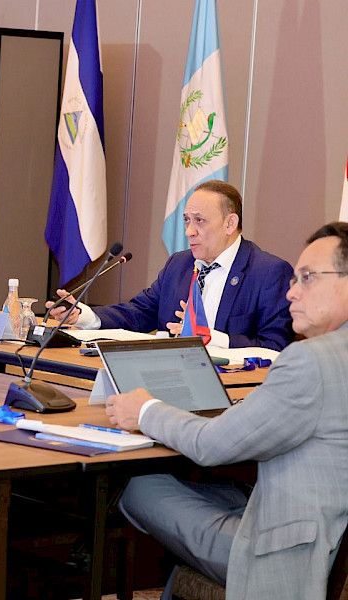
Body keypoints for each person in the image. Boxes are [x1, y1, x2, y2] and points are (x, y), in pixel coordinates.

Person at [106, 222, 348, 600]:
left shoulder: (309, 360)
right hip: (320, 523)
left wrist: (145, 410)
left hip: (287, 556)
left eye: (307, 278)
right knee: (208, 488)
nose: (291, 292)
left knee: (138, 485)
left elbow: (210, 445)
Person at [46, 180, 294, 351]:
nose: (189, 231)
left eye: (200, 221)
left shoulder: (268, 272)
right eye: (186, 220)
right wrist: (83, 315)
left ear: (230, 224)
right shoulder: (180, 264)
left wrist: (212, 338)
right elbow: (139, 313)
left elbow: (275, 346)